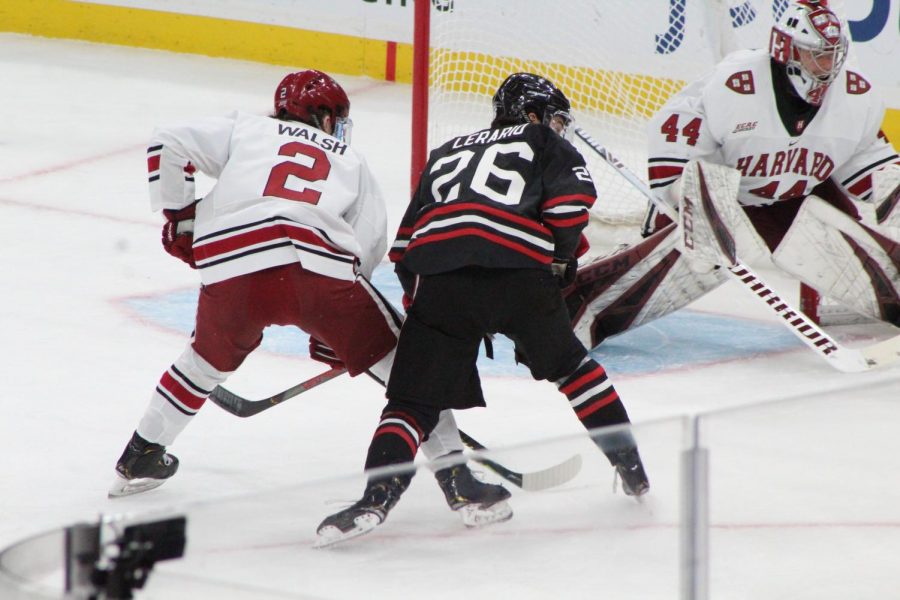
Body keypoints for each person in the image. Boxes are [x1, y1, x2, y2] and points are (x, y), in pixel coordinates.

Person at [108, 70, 511, 524]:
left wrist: (181, 217)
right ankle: (458, 482)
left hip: (233, 265)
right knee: (413, 371)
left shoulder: (247, 128)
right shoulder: (352, 160)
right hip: (315, 269)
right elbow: (368, 243)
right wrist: (337, 328)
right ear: (322, 115)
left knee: (202, 361)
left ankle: (140, 453)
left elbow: (168, 142)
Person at [315, 72, 650, 548]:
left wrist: (422, 314)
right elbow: (572, 208)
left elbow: (405, 250)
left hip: (441, 280)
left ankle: (376, 497)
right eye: (553, 118)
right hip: (518, 275)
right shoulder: (540, 139)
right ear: (533, 115)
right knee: (574, 370)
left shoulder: (445, 151)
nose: (556, 127)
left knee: (412, 401)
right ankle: (631, 468)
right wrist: (560, 259)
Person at [567, 0, 900, 350]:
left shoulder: (855, 97)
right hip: (719, 189)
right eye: (816, 55)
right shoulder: (739, 83)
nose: (827, 66)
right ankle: (580, 307)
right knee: (698, 256)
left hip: (792, 199)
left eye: (833, 55)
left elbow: (873, 165)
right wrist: (678, 190)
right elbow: (678, 123)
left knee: (850, 245)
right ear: (785, 51)